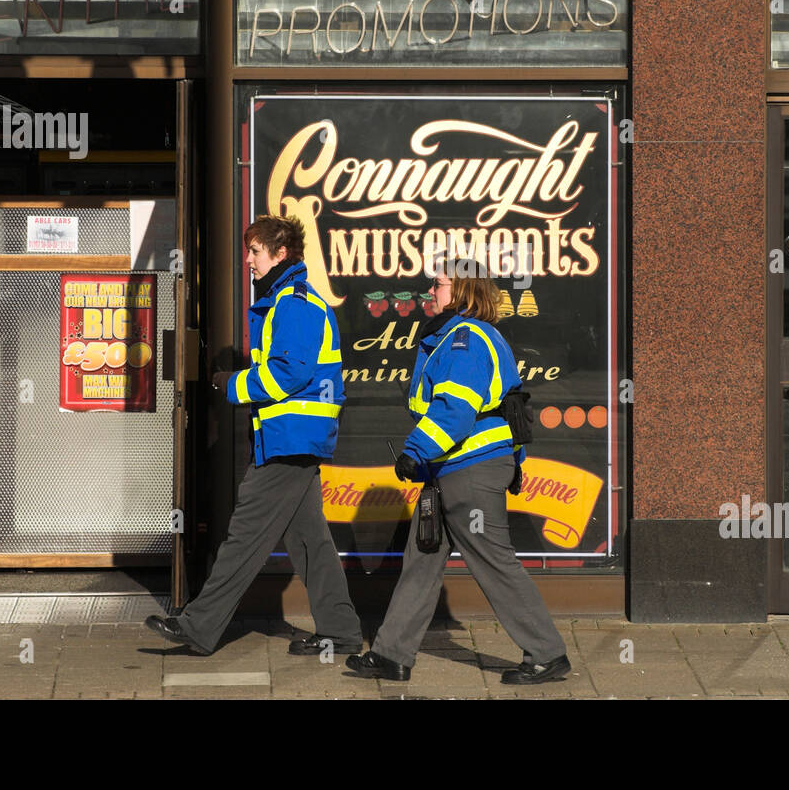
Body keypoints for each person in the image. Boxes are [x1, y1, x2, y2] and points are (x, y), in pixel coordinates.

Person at [145, 215, 361, 657]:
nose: (248, 260)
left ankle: (199, 627)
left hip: (289, 441)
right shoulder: (287, 300)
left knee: (244, 535)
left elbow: (288, 373)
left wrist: (232, 385)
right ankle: (340, 631)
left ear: (281, 254)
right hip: (292, 439)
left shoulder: (294, 304)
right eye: (248, 251)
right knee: (310, 541)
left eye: (255, 251)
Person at [346, 267, 570, 685]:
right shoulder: (455, 336)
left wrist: (416, 452)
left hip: (468, 468)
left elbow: (456, 409)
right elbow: (507, 409)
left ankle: (547, 653)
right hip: (454, 468)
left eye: (438, 284)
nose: (429, 290)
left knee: (492, 562)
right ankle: (391, 654)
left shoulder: (466, 339)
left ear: (463, 290)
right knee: (421, 561)